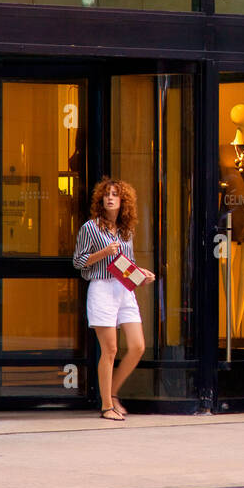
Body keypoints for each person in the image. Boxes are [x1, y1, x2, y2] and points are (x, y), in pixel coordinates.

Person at [72, 178, 152, 421]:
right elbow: (78, 261)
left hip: (125, 289)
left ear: (122, 201)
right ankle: (107, 406)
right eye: (107, 194)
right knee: (110, 349)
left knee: (138, 346)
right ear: (101, 200)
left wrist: (142, 275)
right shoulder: (90, 228)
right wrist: (102, 253)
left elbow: (126, 264)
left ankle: (112, 392)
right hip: (102, 289)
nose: (110, 198)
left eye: (115, 195)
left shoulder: (127, 230)